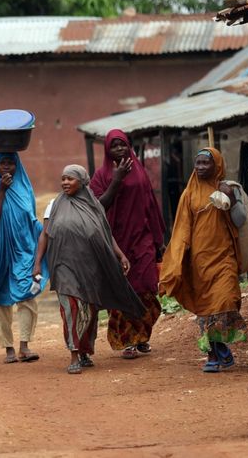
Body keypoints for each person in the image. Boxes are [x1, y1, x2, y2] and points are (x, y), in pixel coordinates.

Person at [32, 164, 145, 374]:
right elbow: (45, 234)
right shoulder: (54, 204)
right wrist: (37, 263)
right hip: (63, 265)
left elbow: (105, 234)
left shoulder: (95, 206)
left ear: (82, 181)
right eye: (63, 178)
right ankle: (73, 354)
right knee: (71, 308)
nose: (65, 182)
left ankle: (84, 351)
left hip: (90, 266)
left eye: (70, 179)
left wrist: (120, 255)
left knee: (89, 310)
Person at [160, 147, 247, 372]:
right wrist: (178, 259)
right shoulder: (188, 195)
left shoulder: (228, 188)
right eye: (197, 163)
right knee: (206, 308)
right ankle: (214, 354)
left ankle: (220, 346)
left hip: (225, 257)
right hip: (199, 261)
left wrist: (231, 199)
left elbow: (240, 221)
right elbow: (181, 230)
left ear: (216, 165)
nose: (200, 167)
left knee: (225, 300)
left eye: (205, 163)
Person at [90, 130, 165, 359]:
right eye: (114, 146)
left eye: (123, 145)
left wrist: (158, 238)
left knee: (147, 288)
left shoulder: (140, 170)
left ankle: (142, 335)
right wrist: (117, 179)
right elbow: (99, 207)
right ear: (107, 151)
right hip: (116, 242)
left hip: (143, 239)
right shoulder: (101, 176)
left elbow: (150, 204)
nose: (120, 150)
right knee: (124, 290)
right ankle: (128, 340)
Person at [0, 152, 47, 364]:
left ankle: (25, 346)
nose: (7, 167)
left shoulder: (25, 188)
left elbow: (31, 219)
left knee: (27, 295)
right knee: (0, 300)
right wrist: (2, 190)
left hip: (23, 250)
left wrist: (46, 235)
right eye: (3, 163)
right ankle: (8, 348)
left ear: (17, 165)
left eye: (11, 162)